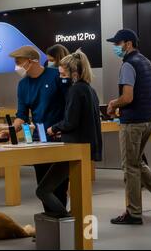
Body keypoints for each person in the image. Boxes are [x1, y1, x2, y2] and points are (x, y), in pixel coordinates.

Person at [106, 29, 151, 224]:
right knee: (138, 162)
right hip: (148, 120)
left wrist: (112, 104)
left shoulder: (128, 65)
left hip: (132, 123)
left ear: (128, 43)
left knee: (130, 167)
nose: (116, 47)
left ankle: (133, 213)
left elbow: (127, 97)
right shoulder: (146, 62)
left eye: (118, 43)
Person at [0, 45, 69, 213]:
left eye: (18, 62)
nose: (16, 66)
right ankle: (51, 222)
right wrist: (12, 130)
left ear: (30, 62)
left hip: (60, 138)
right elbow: (22, 115)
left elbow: (70, 104)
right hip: (39, 139)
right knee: (43, 185)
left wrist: (64, 127)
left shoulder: (55, 77)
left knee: (58, 187)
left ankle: (61, 223)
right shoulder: (23, 85)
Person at [38, 50, 103, 217]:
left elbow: (70, 121)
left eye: (62, 74)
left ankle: (65, 222)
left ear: (73, 73)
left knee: (43, 190)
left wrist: (54, 129)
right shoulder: (89, 90)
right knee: (79, 193)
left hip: (73, 148)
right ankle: (74, 226)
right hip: (84, 147)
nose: (60, 78)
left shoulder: (75, 90)